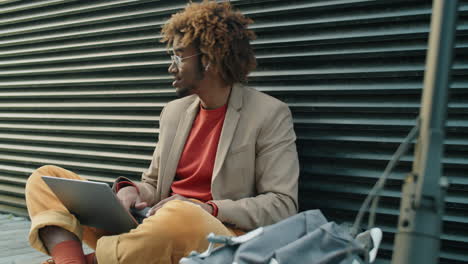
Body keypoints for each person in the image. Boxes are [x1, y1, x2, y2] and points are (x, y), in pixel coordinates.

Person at [25, 1, 299, 263]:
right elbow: (155, 186)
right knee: (44, 178)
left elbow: (282, 204)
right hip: (154, 229)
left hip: (210, 234)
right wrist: (131, 191)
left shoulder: (268, 114)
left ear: (210, 60)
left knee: (181, 215)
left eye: (179, 56)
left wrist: (208, 208)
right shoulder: (174, 112)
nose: (171, 67)